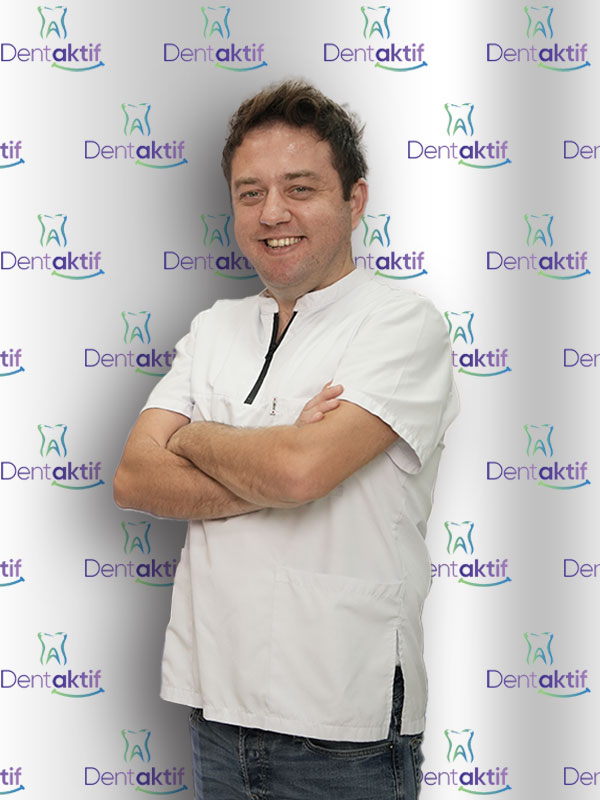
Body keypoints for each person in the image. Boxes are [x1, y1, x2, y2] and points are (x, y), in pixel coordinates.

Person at [114, 80, 458, 800]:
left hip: (343, 728)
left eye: (300, 188)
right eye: (251, 193)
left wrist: (194, 436)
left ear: (354, 201)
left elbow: (301, 472)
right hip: (216, 712)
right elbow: (136, 479)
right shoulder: (214, 327)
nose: (272, 212)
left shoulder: (401, 326)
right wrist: (270, 460)